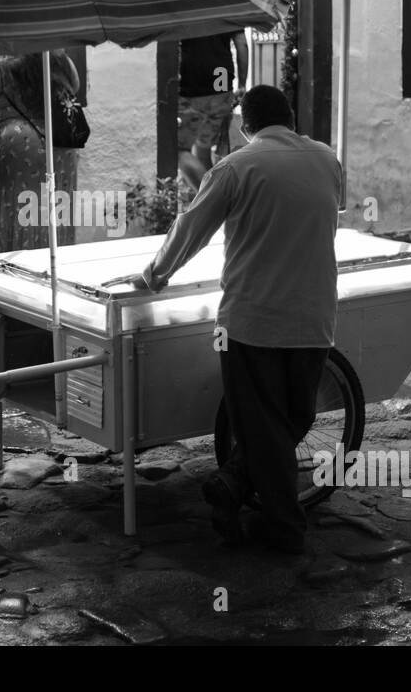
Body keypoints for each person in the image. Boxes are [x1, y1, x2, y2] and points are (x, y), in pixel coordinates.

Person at [113, 85, 341, 554]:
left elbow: (190, 230)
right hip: (314, 316)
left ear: (244, 126)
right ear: (291, 118)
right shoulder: (327, 159)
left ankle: (280, 526)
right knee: (295, 417)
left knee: (263, 425)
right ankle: (237, 486)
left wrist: (154, 276)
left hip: (252, 323)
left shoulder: (235, 167)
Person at [0, 50, 80, 251]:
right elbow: (74, 89)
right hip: (61, 141)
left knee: (20, 210)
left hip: (21, 144)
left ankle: (21, 269)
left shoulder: (0, 68)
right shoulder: (64, 63)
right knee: (58, 211)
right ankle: (56, 269)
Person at [177, 30, 249, 191]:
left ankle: (212, 199)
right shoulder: (225, 5)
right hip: (221, 81)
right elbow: (242, 44)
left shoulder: (187, 6)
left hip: (193, 82)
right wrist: (242, 84)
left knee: (179, 150)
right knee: (203, 146)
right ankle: (211, 199)